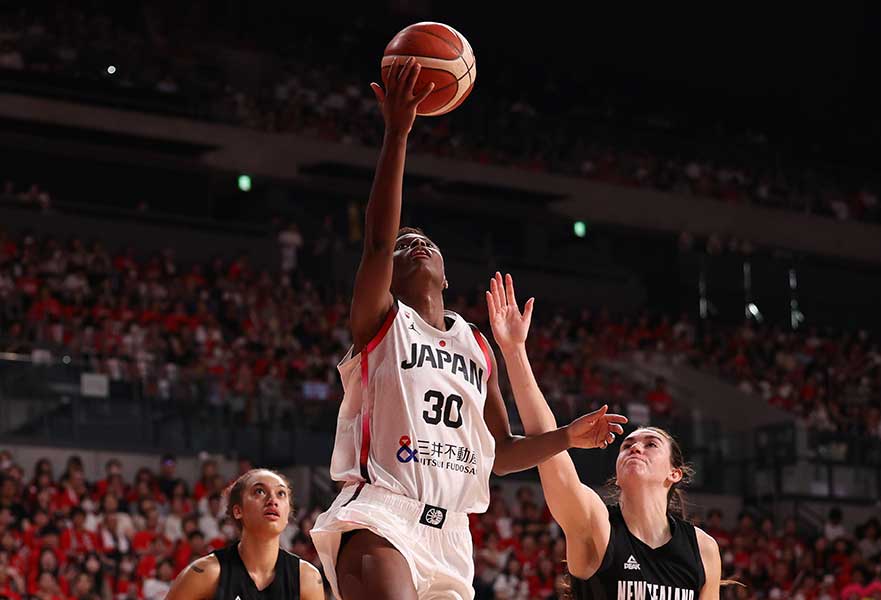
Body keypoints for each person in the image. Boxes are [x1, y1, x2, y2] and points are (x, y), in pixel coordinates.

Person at [310, 57, 614, 600]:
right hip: (383, 514)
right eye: (404, 245)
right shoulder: (381, 323)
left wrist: (568, 436)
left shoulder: (474, 345)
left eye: (423, 239)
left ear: (446, 274)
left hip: (452, 534)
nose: (413, 243)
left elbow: (500, 453)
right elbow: (378, 240)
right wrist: (397, 133)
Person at [485, 272, 723, 600]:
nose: (635, 447)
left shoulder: (703, 549)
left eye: (650, 444)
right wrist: (514, 352)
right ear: (617, 473)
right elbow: (546, 445)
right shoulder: (596, 523)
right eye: (627, 445)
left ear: (674, 473)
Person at [165, 469, 323, 599]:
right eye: (259, 491)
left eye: (281, 494)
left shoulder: (306, 578)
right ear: (238, 510)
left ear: (287, 514)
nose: (272, 500)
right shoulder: (206, 572)